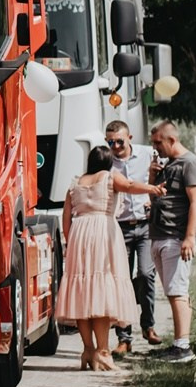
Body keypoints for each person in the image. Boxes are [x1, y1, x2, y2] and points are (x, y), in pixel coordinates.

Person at [54, 146, 164, 371]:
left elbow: (66, 218)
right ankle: (103, 352)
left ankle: (87, 350)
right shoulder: (110, 177)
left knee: (82, 295)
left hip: (79, 235)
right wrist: (152, 188)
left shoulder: (75, 183)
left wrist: (70, 243)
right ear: (108, 163)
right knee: (101, 293)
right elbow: (131, 186)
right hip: (103, 232)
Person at [146, 120, 196, 364]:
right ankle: (178, 345)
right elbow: (155, 195)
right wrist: (152, 176)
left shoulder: (190, 163)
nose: (156, 148)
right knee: (172, 292)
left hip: (176, 236)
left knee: (178, 291)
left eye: (158, 142)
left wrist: (189, 237)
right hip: (160, 234)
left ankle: (183, 347)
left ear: (171, 140)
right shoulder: (169, 164)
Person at [106, 120, 158, 356]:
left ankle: (148, 325)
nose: (115, 146)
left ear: (130, 138)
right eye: (110, 142)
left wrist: (154, 198)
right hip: (120, 227)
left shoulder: (147, 154)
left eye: (119, 141)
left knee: (146, 274)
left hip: (145, 226)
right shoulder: (107, 163)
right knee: (122, 282)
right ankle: (124, 338)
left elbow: (163, 177)